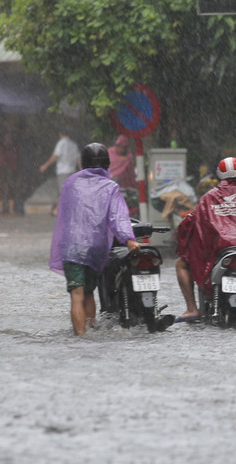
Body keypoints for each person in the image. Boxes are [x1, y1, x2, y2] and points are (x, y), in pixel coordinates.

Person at [48, 143, 141, 336]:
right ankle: (91, 331)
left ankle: (81, 336)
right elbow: (118, 217)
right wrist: (129, 239)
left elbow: (65, 216)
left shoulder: (70, 183)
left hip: (72, 247)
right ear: (107, 164)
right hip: (95, 247)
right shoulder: (111, 187)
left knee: (77, 295)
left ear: (83, 162)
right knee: (90, 293)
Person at [174, 156, 236, 327]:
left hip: (218, 253)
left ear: (219, 174)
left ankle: (192, 308)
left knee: (181, 264)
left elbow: (193, 223)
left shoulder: (209, 197)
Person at [39, 131, 79, 215]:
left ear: (60, 134)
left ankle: (58, 210)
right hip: (71, 170)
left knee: (63, 191)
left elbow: (55, 156)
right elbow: (78, 157)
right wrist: (81, 168)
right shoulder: (73, 144)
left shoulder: (61, 143)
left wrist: (45, 165)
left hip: (63, 171)